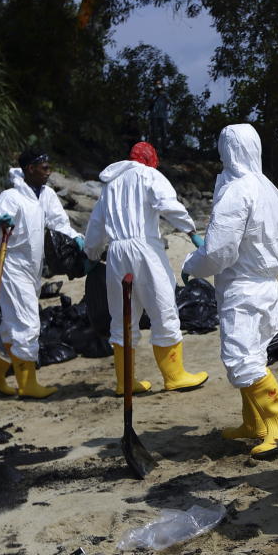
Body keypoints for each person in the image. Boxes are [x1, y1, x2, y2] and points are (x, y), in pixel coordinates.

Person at [182, 124, 278, 458]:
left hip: (242, 287)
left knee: (241, 358)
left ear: (226, 151)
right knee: (255, 354)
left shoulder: (236, 191)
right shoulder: (267, 187)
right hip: (266, 285)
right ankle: (256, 422)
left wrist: (191, 265)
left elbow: (219, 252)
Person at [84, 141, 207, 394]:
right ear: (151, 160)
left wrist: (92, 253)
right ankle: (175, 375)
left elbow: (96, 225)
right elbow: (168, 205)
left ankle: (124, 382)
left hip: (116, 252)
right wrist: (191, 230)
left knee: (122, 316)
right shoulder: (149, 175)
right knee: (163, 307)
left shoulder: (110, 185)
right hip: (145, 249)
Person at [0, 148, 84, 399]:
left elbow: (59, 224)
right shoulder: (11, 197)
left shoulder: (46, 195)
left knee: (11, 324)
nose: (49, 172)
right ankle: (27, 384)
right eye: (44, 168)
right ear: (30, 169)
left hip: (33, 268)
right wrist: (0, 223)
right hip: (12, 267)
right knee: (27, 323)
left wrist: (78, 239)